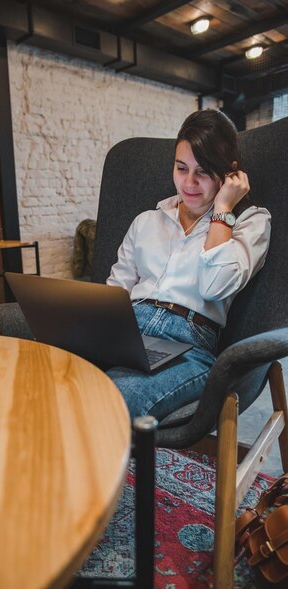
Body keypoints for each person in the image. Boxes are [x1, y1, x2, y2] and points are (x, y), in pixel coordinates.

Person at [105, 109, 271, 421]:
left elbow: (214, 286)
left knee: (112, 399)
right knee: (56, 374)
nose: (190, 183)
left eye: (204, 172)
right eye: (182, 168)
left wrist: (223, 209)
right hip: (128, 332)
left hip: (189, 344)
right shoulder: (147, 220)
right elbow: (116, 291)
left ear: (231, 173)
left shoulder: (250, 221)